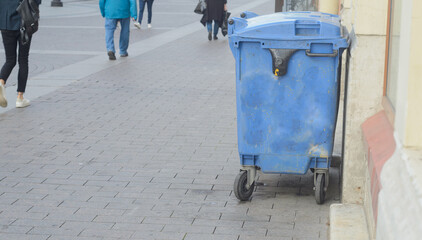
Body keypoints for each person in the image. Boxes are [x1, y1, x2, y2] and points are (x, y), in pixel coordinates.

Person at [0, 0, 42, 108]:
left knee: (10, 60)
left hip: (5, 23)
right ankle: (20, 98)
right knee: (23, 59)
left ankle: (1, 81)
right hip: (24, 21)